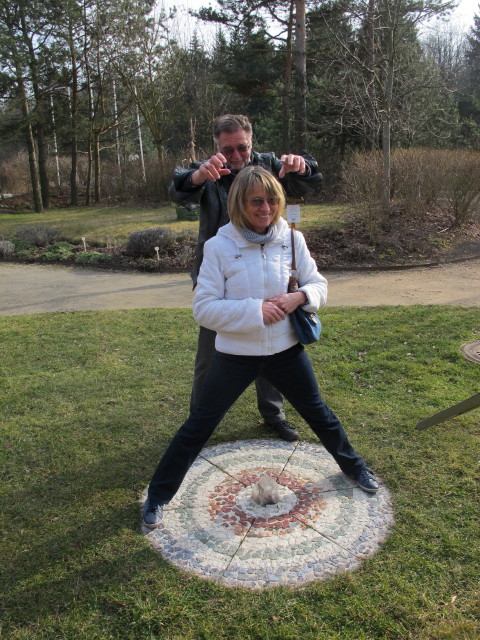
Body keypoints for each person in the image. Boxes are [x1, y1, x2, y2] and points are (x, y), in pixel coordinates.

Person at [144, 166, 378, 528]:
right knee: (198, 427)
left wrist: (300, 296)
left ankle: (356, 469)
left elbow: (319, 284)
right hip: (235, 356)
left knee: (320, 415)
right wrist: (257, 310)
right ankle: (157, 497)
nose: (265, 208)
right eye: (257, 201)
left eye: (272, 200)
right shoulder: (219, 246)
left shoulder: (292, 239)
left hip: (285, 352)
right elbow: (203, 308)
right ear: (240, 202)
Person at [170, 114, 323, 442]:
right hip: (221, 273)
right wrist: (198, 175)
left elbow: (312, 178)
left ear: (251, 142)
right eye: (228, 150)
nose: (236, 155)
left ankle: (273, 415)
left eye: (242, 147)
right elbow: (178, 188)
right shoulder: (211, 170)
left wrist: (302, 166)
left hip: (269, 272)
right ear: (217, 147)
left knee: (271, 347)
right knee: (210, 354)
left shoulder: (269, 166)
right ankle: (199, 422)